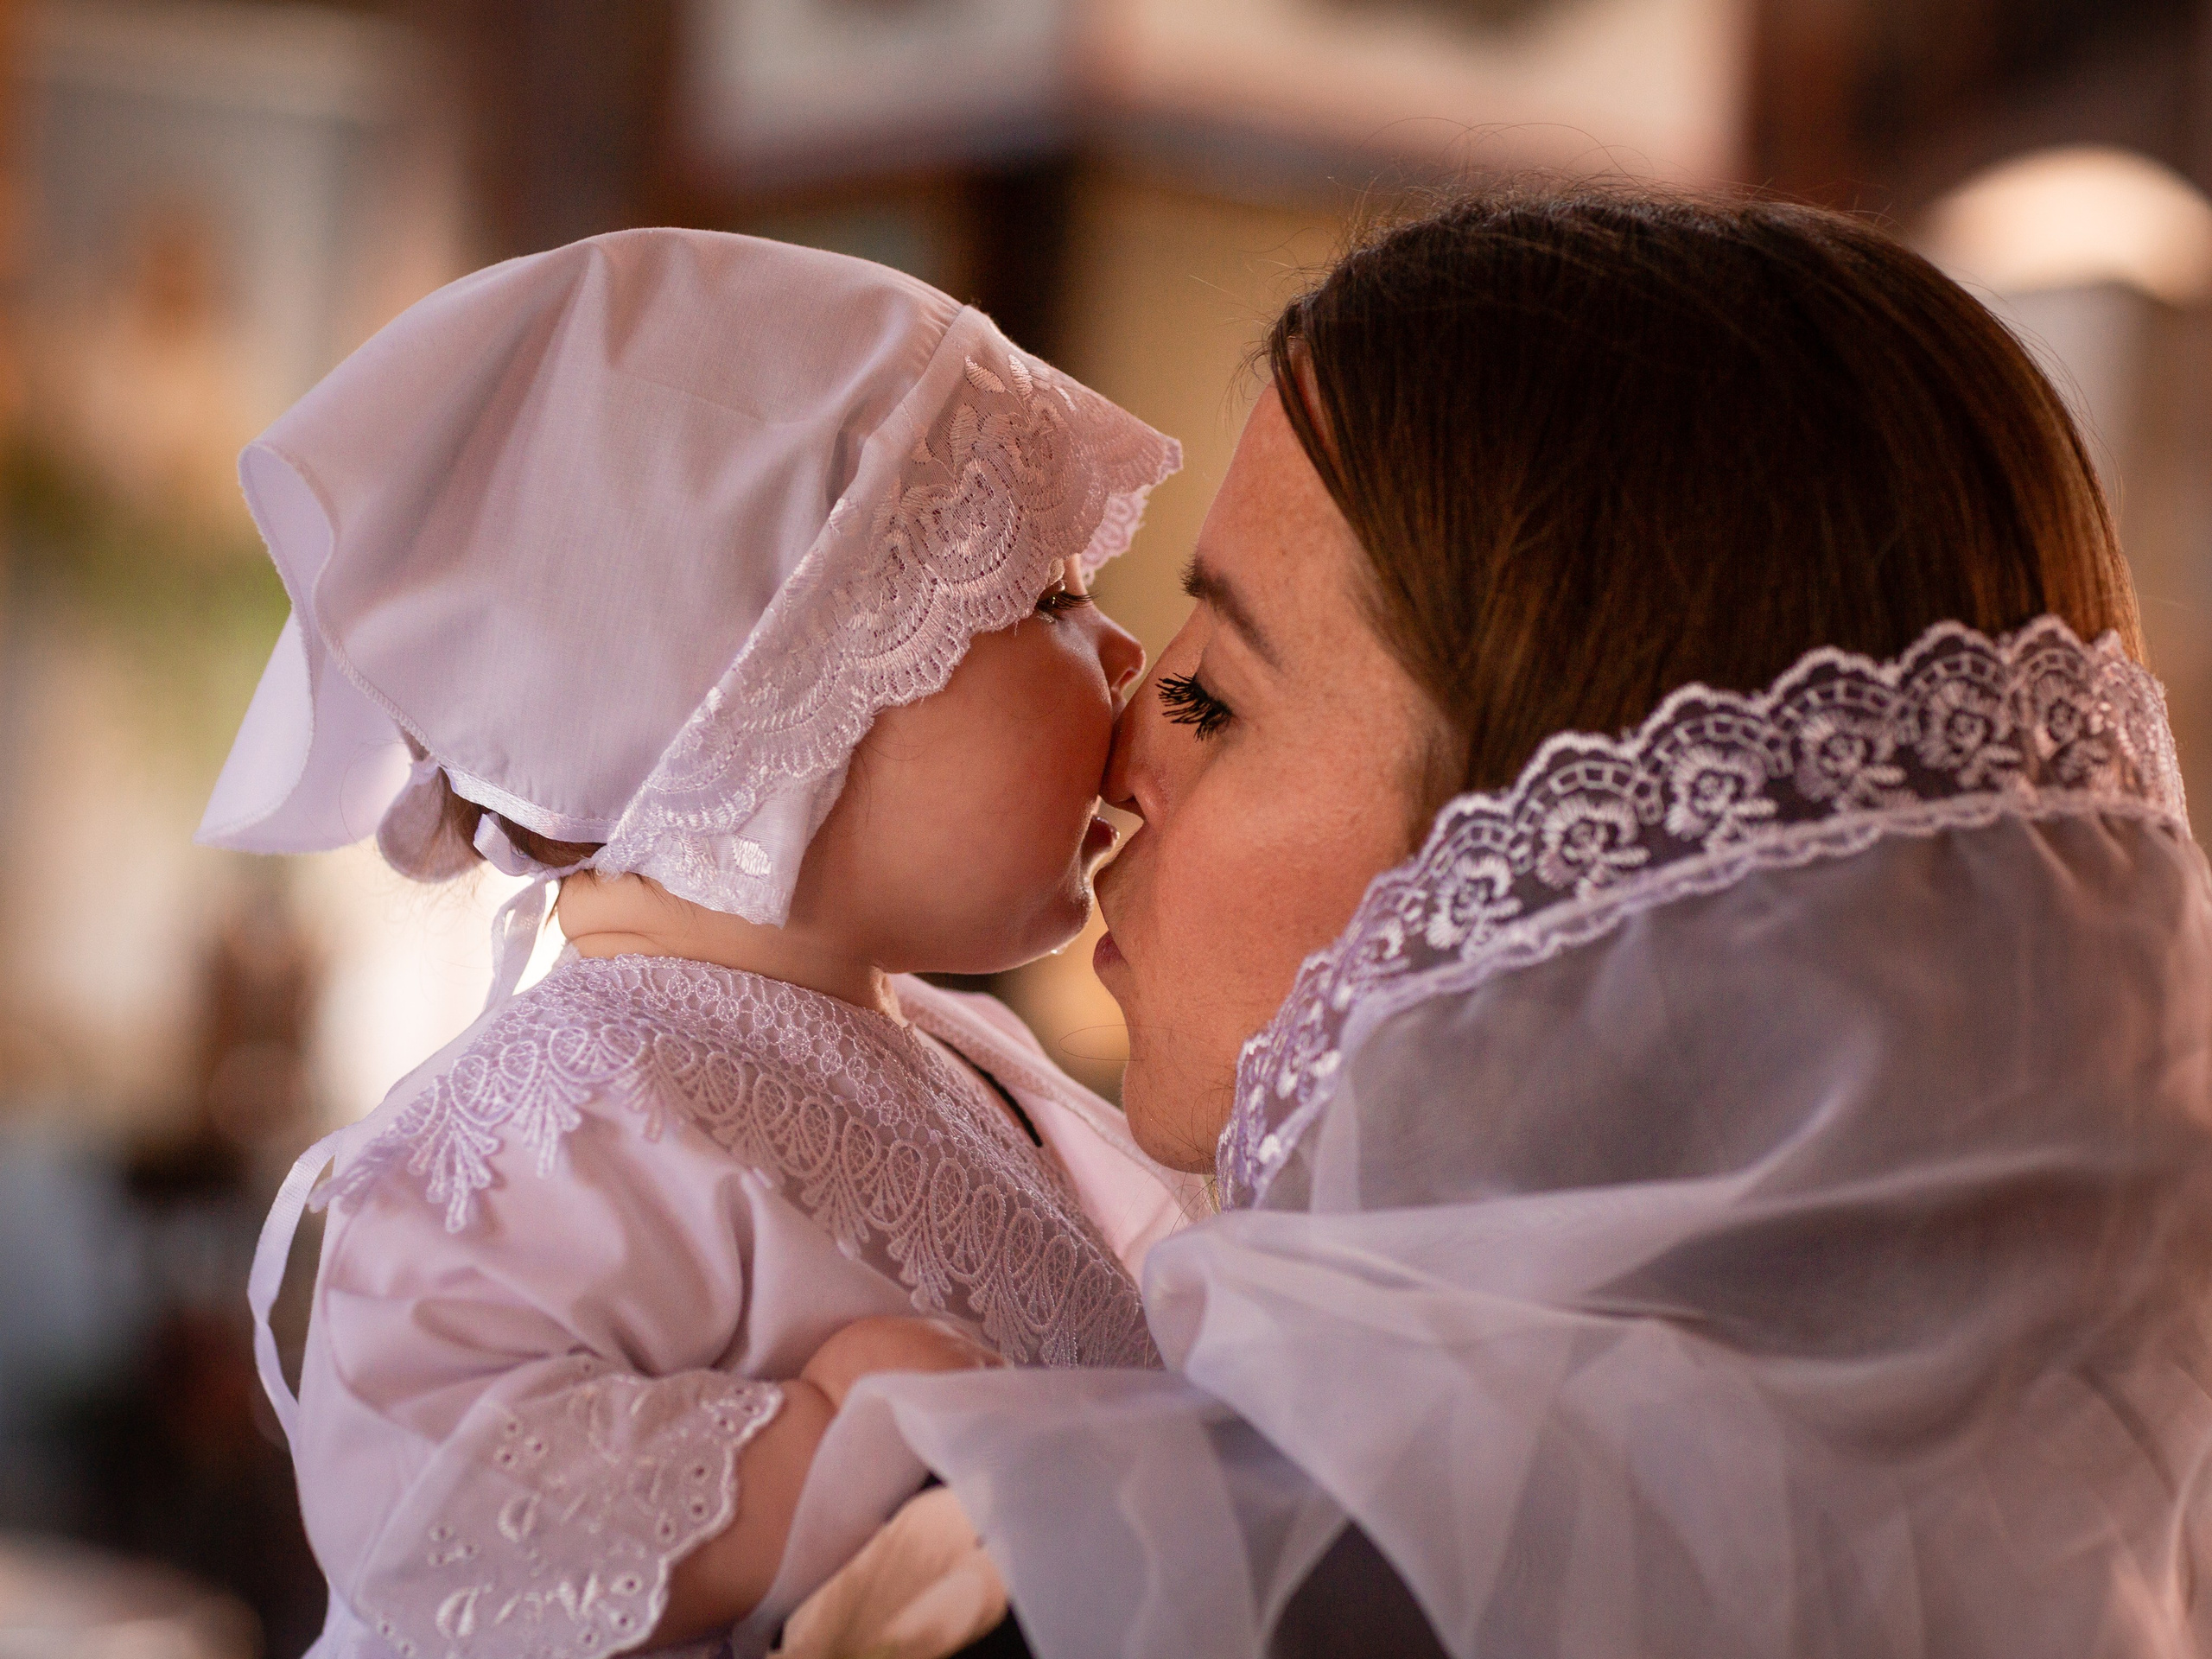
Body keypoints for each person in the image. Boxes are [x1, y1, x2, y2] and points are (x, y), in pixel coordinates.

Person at [793, 185, 2212, 1657]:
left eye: (1215, 697)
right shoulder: (2109, 1545)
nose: (1118, 761)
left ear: (1570, 890)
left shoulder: (1128, 1584)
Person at [201, 229, 1205, 1659]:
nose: (1124, 657)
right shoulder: (562, 1106)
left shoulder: (958, 1052)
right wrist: (810, 1451)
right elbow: (426, 1488)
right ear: (762, 692)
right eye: (1044, 599)